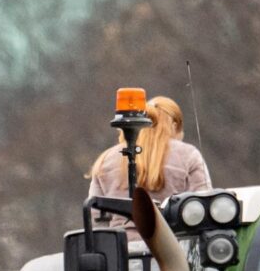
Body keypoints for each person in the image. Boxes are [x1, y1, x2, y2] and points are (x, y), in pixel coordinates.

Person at [86, 94, 212, 236]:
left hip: (122, 250)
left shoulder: (106, 159)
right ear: (175, 126)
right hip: (172, 250)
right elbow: (203, 207)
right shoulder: (189, 155)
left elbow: (96, 217)